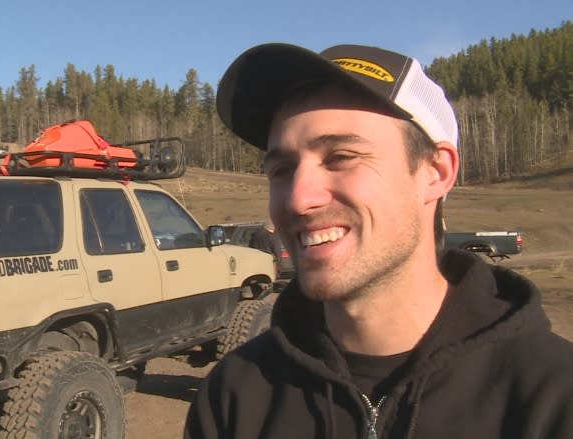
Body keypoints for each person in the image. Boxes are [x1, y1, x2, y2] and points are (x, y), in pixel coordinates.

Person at [184, 43, 573, 438]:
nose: (299, 199)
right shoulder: (235, 395)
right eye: (281, 169)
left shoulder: (551, 397)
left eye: (340, 157)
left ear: (435, 173)